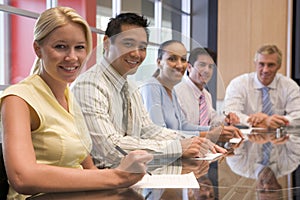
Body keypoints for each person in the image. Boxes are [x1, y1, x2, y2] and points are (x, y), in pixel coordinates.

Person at [0, 7, 153, 200]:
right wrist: (116, 176)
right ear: (38, 49)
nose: (72, 57)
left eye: (79, 47)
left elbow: (88, 167)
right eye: (60, 46)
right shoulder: (17, 99)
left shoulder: (68, 96)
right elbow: (23, 178)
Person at [71, 13, 224, 169]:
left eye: (142, 48)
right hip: (103, 183)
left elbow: (148, 129)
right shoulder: (89, 85)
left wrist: (195, 142)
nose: (136, 54)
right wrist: (178, 147)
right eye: (128, 44)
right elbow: (110, 149)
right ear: (107, 43)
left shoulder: (129, 86)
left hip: (131, 176)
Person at [139, 41, 242, 141]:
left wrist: (215, 130)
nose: (179, 65)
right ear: (159, 62)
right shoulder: (152, 87)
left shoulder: (171, 90)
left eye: (183, 59)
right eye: (172, 59)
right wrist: (208, 135)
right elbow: (159, 134)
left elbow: (183, 125)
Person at [223, 44, 300, 128]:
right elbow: (229, 114)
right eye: (261, 64)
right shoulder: (238, 84)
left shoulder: (290, 86)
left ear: (279, 66)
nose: (265, 70)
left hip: (280, 138)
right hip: (244, 137)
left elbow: (298, 116)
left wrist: (274, 120)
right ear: (255, 64)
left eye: (271, 65)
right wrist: (263, 122)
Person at [175, 47, 239, 126]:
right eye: (202, 65)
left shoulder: (206, 95)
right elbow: (180, 128)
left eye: (210, 66)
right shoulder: (177, 94)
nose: (207, 70)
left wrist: (226, 119)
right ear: (189, 67)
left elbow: (212, 120)